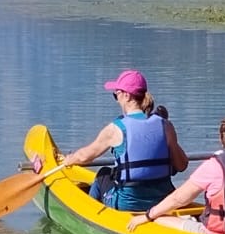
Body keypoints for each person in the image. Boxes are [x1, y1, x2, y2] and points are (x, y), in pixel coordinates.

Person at [129, 112, 225, 234]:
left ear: (222, 138)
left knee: (158, 219)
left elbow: (179, 199)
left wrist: (148, 215)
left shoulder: (214, 165)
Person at [60, 68, 188, 212]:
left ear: (127, 96)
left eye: (116, 94)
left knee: (103, 175)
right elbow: (182, 165)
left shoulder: (115, 129)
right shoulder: (165, 125)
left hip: (128, 204)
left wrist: (69, 160)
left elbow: (84, 156)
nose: (116, 98)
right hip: (163, 201)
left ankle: (89, 217)